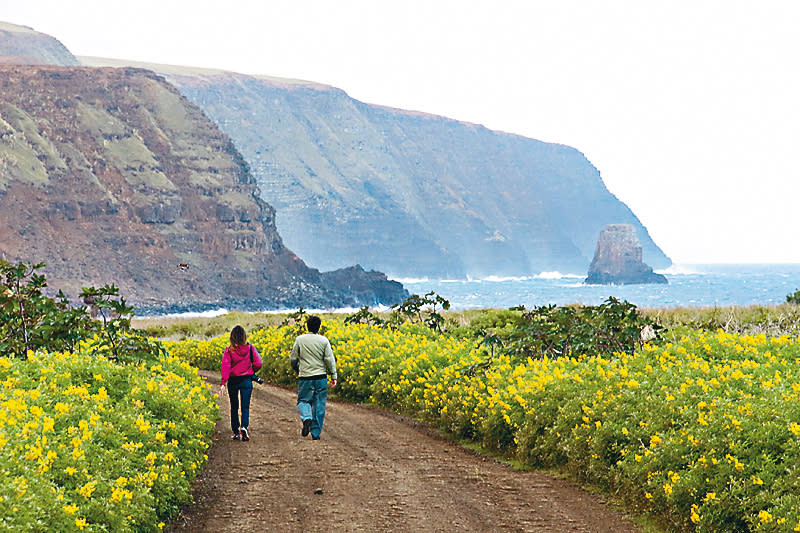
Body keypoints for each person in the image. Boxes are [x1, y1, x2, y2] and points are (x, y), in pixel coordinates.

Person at [290, 315, 337, 440]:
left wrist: (296, 369)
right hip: (320, 377)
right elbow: (329, 359)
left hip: (305, 377)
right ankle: (315, 434)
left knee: (303, 401)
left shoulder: (300, 339)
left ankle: (306, 418)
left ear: (307, 326)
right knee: (319, 404)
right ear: (319, 327)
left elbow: (293, 358)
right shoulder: (324, 340)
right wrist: (333, 375)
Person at [219, 325, 262, 441]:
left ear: (232, 337)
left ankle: (236, 431)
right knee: (245, 406)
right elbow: (258, 363)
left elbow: (226, 366)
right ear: (244, 336)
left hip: (233, 381)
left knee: (234, 406)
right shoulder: (250, 348)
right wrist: (252, 371)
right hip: (246, 380)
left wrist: (223, 382)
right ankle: (244, 427)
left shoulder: (229, 350)